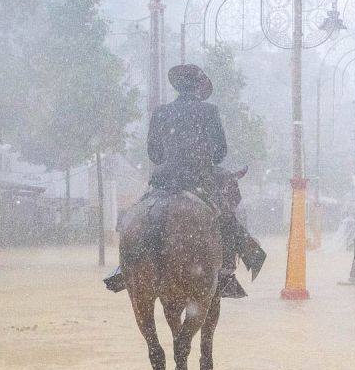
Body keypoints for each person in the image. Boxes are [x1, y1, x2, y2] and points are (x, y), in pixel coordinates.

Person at [104, 64, 266, 298]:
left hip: (164, 181)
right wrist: (201, 154)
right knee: (227, 218)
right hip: (199, 179)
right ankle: (227, 272)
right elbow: (220, 153)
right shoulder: (209, 111)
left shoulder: (161, 112)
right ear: (198, 86)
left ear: (177, 86)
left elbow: (154, 154)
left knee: (134, 216)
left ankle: (125, 269)